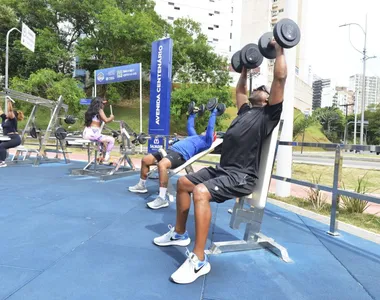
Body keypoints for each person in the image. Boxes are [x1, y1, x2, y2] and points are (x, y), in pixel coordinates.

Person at [153, 40, 287, 284]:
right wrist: (245, 69)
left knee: (201, 193)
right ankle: (179, 234)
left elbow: (280, 80)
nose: (262, 88)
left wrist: (279, 50)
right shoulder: (245, 111)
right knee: (183, 183)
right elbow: (240, 91)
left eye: (265, 90)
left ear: (269, 100)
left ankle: (199, 259)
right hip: (224, 170)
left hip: (242, 176)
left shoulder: (269, 116)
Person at [129, 108, 218, 210]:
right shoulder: (194, 136)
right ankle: (141, 185)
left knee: (162, 165)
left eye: (208, 131)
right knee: (145, 160)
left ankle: (162, 198)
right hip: (169, 150)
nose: (206, 130)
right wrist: (193, 114)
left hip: (180, 155)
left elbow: (211, 127)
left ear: (212, 136)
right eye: (205, 129)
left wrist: (213, 113)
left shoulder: (207, 142)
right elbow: (190, 126)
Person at [83, 97, 115, 162]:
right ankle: (106, 156)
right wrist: (111, 117)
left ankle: (101, 156)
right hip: (93, 134)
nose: (103, 106)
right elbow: (106, 120)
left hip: (87, 133)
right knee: (112, 140)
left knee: (104, 142)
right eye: (102, 104)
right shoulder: (99, 110)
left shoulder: (89, 112)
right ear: (99, 104)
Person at [0, 100, 24, 167]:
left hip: (14, 138)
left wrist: (9, 103)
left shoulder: (13, 120)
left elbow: (10, 110)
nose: (7, 113)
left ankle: (2, 162)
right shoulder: (5, 118)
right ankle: (1, 157)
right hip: (7, 138)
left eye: (9, 113)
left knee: (2, 146)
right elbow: (0, 111)